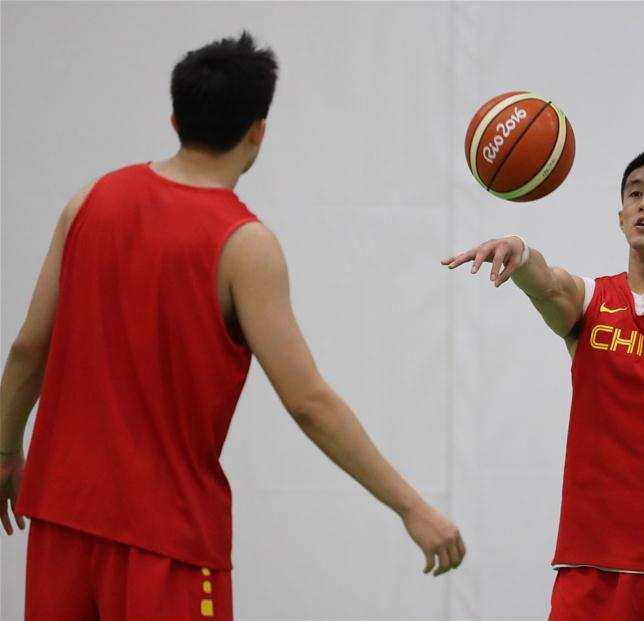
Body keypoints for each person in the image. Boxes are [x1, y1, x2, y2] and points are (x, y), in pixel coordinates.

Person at [0, 32, 464, 619]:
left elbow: (28, 347)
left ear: (175, 119)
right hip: (167, 542)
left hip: (61, 525)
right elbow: (308, 402)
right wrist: (412, 507)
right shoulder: (244, 245)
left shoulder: (88, 201)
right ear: (258, 130)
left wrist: (5, 448)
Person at [443, 146, 644, 621]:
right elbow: (550, 283)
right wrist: (520, 252)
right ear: (620, 217)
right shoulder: (591, 300)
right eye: (635, 193)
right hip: (591, 568)